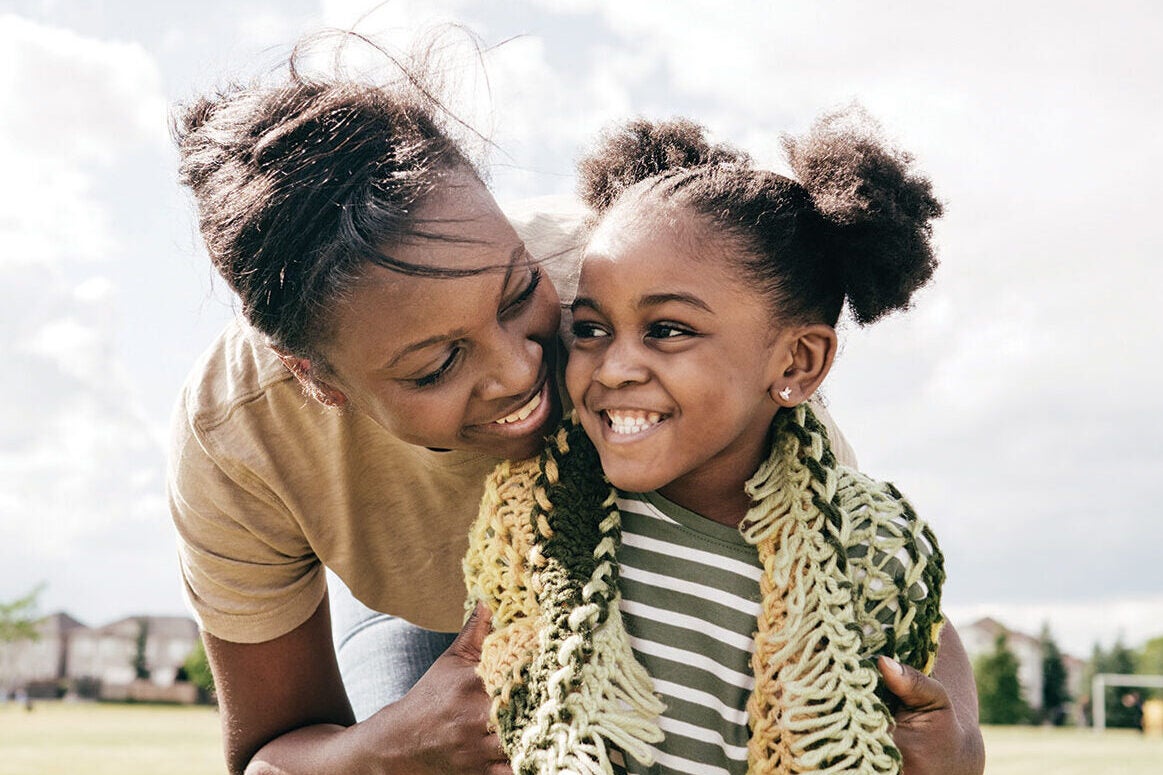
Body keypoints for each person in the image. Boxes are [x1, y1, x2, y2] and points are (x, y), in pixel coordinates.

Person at [169, 36, 981, 775]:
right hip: (426, 633)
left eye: (519, 295)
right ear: (319, 379)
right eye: (437, 364)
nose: (522, 370)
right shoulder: (240, 429)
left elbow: (854, 575)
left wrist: (956, 737)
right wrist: (382, 750)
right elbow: (269, 756)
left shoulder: (629, 294)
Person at [465, 110, 985, 774]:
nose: (615, 365)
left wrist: (958, 745)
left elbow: (923, 658)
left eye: (669, 329)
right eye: (592, 328)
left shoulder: (861, 542)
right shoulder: (536, 526)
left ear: (796, 363)